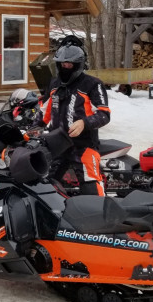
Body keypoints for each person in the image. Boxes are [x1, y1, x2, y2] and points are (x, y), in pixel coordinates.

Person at [39, 43, 110, 195]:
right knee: (43, 181)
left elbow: (104, 114)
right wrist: (32, 128)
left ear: (78, 65)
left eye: (69, 64)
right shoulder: (54, 83)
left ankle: (97, 213)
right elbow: (44, 112)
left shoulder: (93, 84)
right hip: (56, 143)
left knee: (90, 180)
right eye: (63, 64)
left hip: (84, 144)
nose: (66, 67)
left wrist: (85, 122)